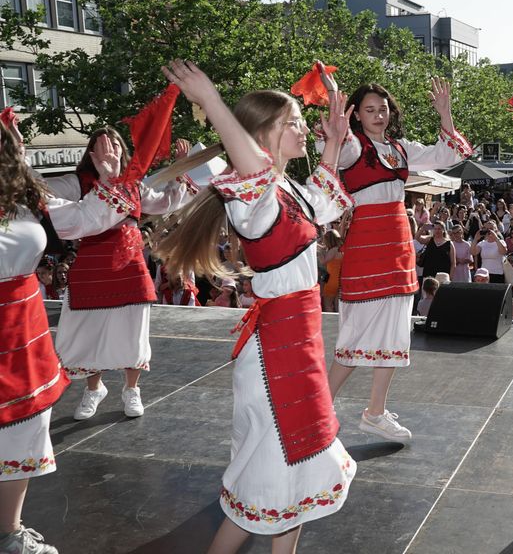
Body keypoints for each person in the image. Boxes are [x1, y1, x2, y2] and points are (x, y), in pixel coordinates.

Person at [157, 60, 356, 554]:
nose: (302, 128)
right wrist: (212, 102)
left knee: (298, 478)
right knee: (268, 476)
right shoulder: (256, 198)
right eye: (292, 122)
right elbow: (251, 163)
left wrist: (333, 138)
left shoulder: (288, 193)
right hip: (275, 354)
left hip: (297, 343)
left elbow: (324, 200)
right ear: (262, 135)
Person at [0, 115, 134, 554]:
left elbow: (83, 218)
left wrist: (112, 179)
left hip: (24, 328)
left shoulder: (25, 198)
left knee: (24, 428)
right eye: (11, 142)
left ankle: (9, 532)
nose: (15, 147)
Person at [324, 76, 472, 443]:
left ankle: (375, 412)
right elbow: (331, 153)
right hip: (367, 246)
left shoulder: (399, 147)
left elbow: (450, 154)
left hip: (398, 244)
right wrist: (333, 110)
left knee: (395, 331)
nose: (378, 115)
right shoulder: (351, 146)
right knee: (356, 332)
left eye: (383, 108)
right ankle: (319, 409)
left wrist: (445, 113)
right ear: (355, 114)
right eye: (370, 109)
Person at [43, 124, 196, 421]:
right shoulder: (77, 182)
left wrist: (179, 170)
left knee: (132, 330)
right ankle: (94, 388)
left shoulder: (134, 184)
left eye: (113, 143)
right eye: (101, 145)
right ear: (92, 152)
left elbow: (165, 202)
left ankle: (131, 389)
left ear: (122, 150)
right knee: (90, 330)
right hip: (90, 264)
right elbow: (41, 193)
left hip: (130, 264)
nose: (109, 149)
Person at [318, 229, 343, 312]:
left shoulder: (333, 250)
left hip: (331, 280)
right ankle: (338, 324)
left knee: (327, 304)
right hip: (338, 279)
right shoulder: (339, 249)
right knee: (336, 305)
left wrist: (319, 254)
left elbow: (323, 261)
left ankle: (330, 324)